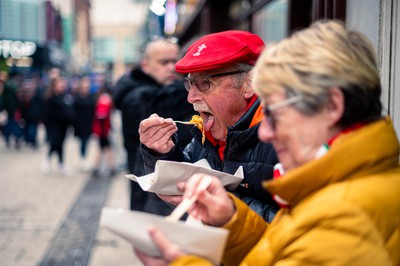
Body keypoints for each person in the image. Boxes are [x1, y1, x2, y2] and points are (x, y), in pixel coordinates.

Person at [135, 20, 400, 266]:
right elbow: (279, 248)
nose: (265, 132)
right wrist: (231, 218)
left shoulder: (346, 214)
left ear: (332, 106)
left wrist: (181, 262)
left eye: (274, 114)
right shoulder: (334, 181)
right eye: (190, 84)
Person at [138, 31, 279, 222]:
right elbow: (189, 170)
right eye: (189, 83)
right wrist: (162, 153)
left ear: (249, 84)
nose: (190, 97)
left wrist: (228, 209)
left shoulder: (282, 138)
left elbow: (300, 228)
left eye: (205, 83)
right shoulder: (207, 134)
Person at [113, 38, 194, 214]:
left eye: (175, 61)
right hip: (147, 185)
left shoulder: (165, 90)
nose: (172, 67)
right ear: (146, 65)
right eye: (164, 62)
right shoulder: (137, 96)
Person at [41, 76, 75, 175]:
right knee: (54, 142)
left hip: (64, 125)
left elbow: (70, 111)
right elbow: (46, 113)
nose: (62, 86)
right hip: (53, 124)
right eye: (60, 84)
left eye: (63, 84)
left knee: (61, 144)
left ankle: (61, 164)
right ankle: (48, 160)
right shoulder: (50, 98)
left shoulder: (66, 97)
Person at [91, 85, 115, 178]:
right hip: (103, 131)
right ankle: (104, 167)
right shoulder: (105, 100)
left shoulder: (102, 99)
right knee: (104, 149)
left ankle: (100, 167)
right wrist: (104, 131)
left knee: (103, 149)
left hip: (103, 130)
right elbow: (101, 116)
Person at [72, 76, 96, 171]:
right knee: (82, 141)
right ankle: (83, 158)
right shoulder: (77, 97)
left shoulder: (91, 97)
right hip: (80, 124)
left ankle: (84, 158)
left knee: (87, 141)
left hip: (89, 123)